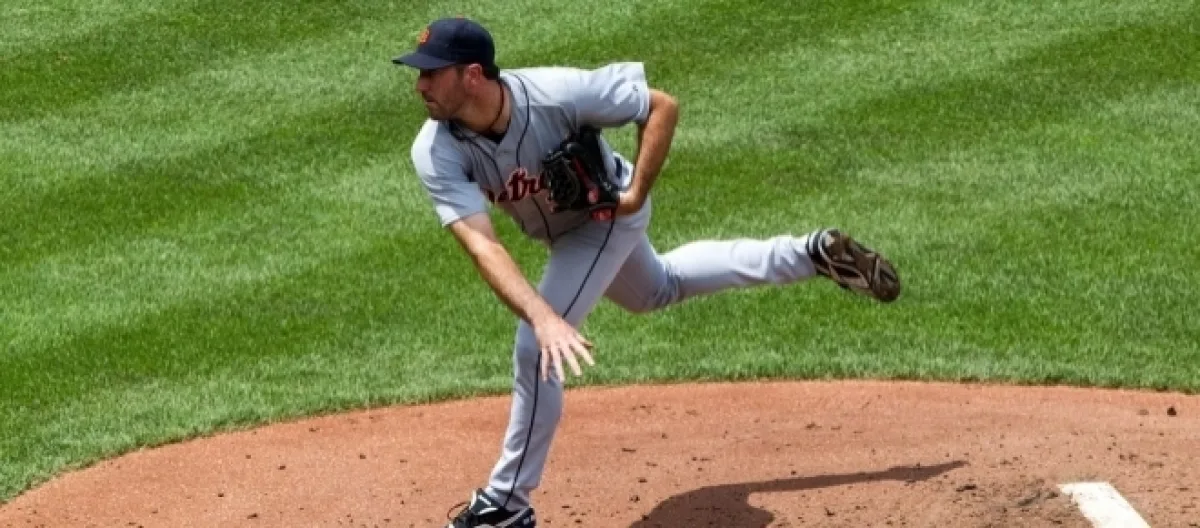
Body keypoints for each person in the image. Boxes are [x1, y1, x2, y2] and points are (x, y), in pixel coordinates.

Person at [392, 16, 901, 528]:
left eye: (432, 73)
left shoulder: (555, 94)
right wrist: (544, 315)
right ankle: (809, 253)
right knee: (658, 288)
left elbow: (660, 106)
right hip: (566, 233)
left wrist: (634, 195)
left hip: (605, 220)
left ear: (472, 75)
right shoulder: (435, 149)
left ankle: (507, 504)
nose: (420, 85)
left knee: (534, 349)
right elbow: (483, 245)